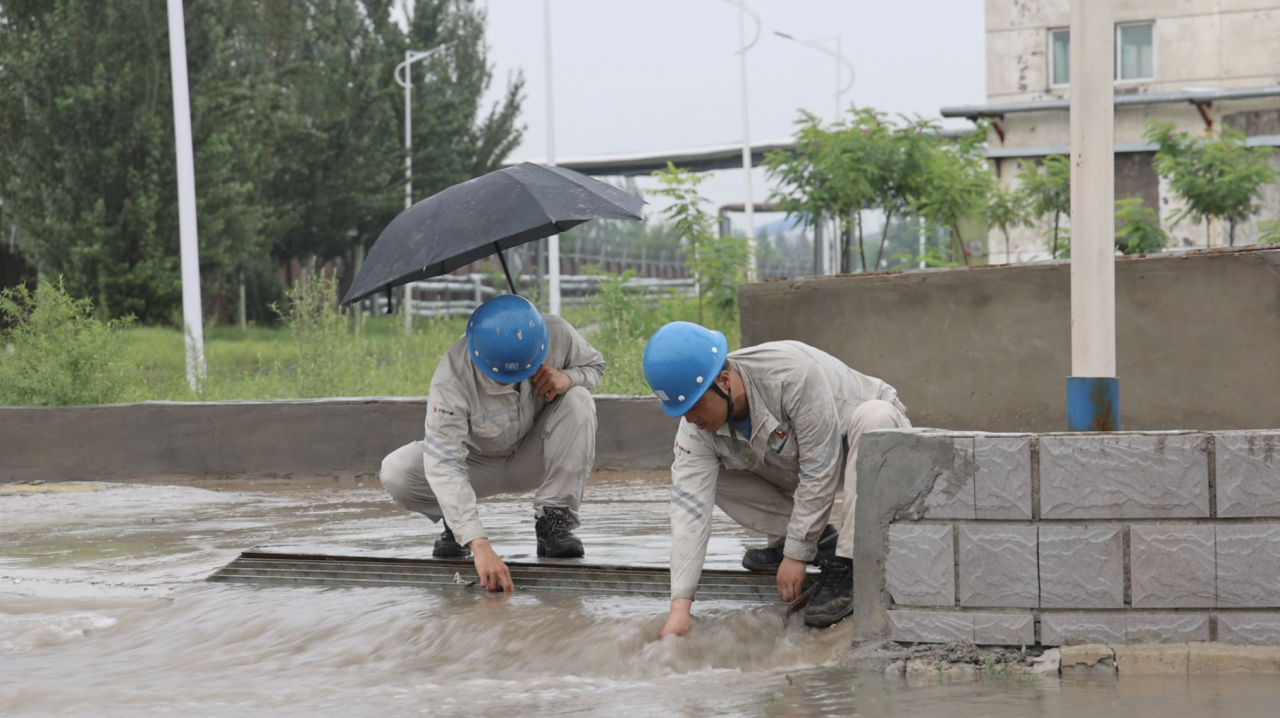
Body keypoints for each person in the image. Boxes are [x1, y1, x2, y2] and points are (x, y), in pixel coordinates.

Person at [643, 321, 910, 635]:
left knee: (875, 416)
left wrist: (796, 554)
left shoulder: (791, 376)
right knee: (710, 476)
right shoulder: (696, 427)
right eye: (682, 410)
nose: (690, 418)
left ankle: (849, 564)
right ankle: (820, 540)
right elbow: (689, 507)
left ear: (724, 381)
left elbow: (819, 468)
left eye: (695, 405)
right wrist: (680, 607)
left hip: (853, 446)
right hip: (794, 459)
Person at [379, 294, 605, 593]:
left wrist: (568, 377)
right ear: (476, 355)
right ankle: (455, 524)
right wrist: (479, 544)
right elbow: (444, 462)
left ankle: (554, 520)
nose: (508, 381)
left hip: (532, 456)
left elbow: (596, 366)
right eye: (499, 376)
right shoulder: (452, 377)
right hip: (475, 466)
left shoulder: (557, 333)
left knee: (579, 399)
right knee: (396, 471)